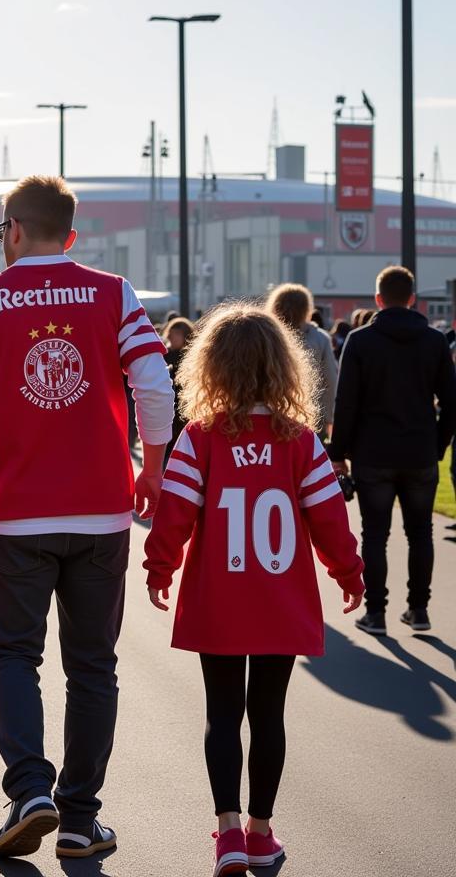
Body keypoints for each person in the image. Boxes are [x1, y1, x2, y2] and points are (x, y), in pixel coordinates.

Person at [0, 175, 174, 859]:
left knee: (12, 654)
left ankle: (30, 787)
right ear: (69, 236)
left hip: (15, 514)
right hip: (101, 511)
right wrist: (151, 467)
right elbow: (154, 384)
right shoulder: (115, 293)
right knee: (93, 665)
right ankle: (78, 817)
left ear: (12, 228)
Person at [142, 303, 364, 877]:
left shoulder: (199, 438)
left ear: (210, 367)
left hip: (219, 595)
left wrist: (159, 567)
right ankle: (262, 833)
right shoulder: (300, 441)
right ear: (283, 368)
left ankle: (227, 833)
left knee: (222, 714)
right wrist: (348, 573)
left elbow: (175, 514)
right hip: (280, 599)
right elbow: (329, 518)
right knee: (269, 715)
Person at [330, 266, 456, 635]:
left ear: (378, 299)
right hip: (418, 448)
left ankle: (377, 612)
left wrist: (339, 452)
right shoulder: (434, 341)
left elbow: (346, 402)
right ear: (413, 299)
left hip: (373, 451)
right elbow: (451, 401)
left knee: (375, 534)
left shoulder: (361, 340)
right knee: (421, 533)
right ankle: (419, 609)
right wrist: (438, 443)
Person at [266, 284, 337, 442]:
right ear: (307, 309)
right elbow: (330, 381)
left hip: (270, 415)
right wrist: (328, 418)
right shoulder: (320, 339)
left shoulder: (267, 336)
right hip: (311, 416)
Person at [163, 316, 195, 460]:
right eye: (171, 335)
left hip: (186, 407)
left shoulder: (192, 356)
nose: (172, 339)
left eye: (176, 335)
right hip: (167, 407)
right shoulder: (165, 355)